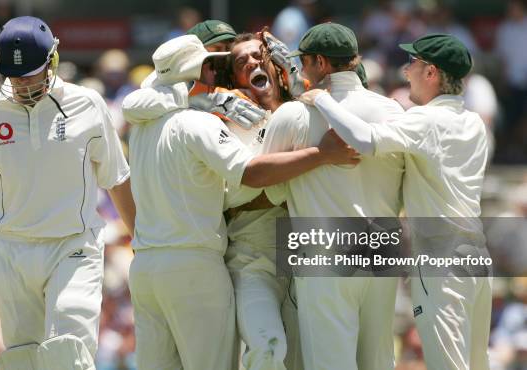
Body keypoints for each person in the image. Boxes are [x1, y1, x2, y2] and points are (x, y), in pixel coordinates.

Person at [122, 34, 358, 370]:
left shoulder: (305, 106)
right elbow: (246, 178)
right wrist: (320, 156)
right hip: (247, 258)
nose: (251, 62)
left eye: (259, 55)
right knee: (265, 349)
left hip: (309, 253)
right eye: (238, 61)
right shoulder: (216, 118)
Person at [0, 16, 135, 370]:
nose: (22, 83)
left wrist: (143, 244)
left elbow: (117, 179)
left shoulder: (87, 104)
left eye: (31, 74)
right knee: (22, 360)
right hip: (13, 252)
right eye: (14, 75)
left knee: (66, 355)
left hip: (73, 246)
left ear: (52, 60)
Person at [304, 33, 491, 370]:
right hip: (476, 257)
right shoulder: (474, 121)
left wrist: (321, 99)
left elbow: (364, 140)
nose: (407, 72)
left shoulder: (426, 120)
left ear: (431, 72)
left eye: (413, 64)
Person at [260, 22, 405, 370]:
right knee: (379, 361)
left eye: (305, 62)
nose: (302, 70)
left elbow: (270, 187)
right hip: (381, 246)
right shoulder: (393, 111)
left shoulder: (294, 114)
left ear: (321, 63)